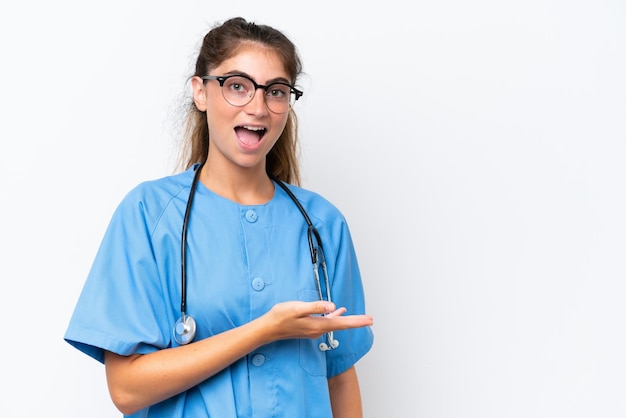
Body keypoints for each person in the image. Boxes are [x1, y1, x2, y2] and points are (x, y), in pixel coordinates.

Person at [64, 16, 374, 417]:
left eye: (275, 91)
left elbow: (339, 376)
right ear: (201, 92)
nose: (258, 107)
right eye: (238, 86)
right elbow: (126, 388)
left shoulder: (322, 224)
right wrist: (263, 331)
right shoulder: (148, 214)